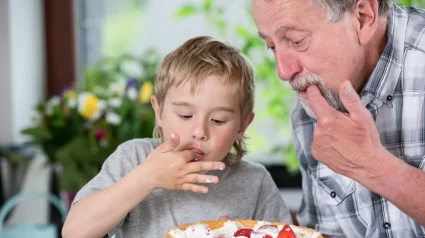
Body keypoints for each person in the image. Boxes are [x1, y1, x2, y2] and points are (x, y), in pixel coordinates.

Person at [61, 35, 292, 238]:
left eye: (218, 120)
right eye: (185, 115)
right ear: (159, 112)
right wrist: (147, 178)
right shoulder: (134, 159)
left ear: (242, 126)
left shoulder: (255, 182)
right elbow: (75, 231)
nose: (200, 132)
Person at [252, 0, 425, 237]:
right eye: (271, 46)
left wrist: (372, 165)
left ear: (363, 17)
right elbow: (327, 232)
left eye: (297, 41)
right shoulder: (312, 101)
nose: (283, 72)